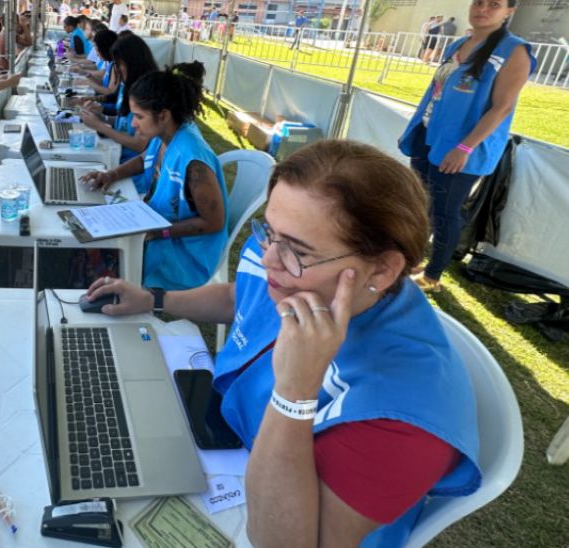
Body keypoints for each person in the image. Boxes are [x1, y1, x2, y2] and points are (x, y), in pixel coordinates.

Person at [85, 139, 481, 546]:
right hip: (229, 444)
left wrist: (295, 392)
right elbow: (244, 296)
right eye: (270, 233)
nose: (269, 257)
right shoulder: (290, 268)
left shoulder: (407, 414)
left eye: (296, 250)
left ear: (381, 269)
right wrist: (156, 299)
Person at [400, 0, 535, 292]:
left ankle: (432, 276)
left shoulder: (515, 51)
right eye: (479, 2)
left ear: (509, 11)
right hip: (429, 136)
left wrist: (464, 148)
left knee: (444, 211)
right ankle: (413, 260)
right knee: (420, 202)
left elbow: (500, 108)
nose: (482, 9)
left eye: (494, 4)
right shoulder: (459, 43)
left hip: (462, 149)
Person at [82, 62, 228, 290]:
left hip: (183, 256)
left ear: (164, 115)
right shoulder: (166, 134)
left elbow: (214, 222)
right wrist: (111, 174)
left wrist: (159, 232)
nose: (133, 124)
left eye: (139, 117)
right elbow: (144, 159)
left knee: (102, 258)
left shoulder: (193, 161)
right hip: (158, 230)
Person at [80, 33, 157, 170]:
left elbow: (139, 144)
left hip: (127, 165)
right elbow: (124, 121)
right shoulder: (127, 85)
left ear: (132, 62)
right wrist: (101, 115)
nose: (117, 69)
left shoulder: (149, 93)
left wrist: (101, 126)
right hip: (115, 153)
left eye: (119, 64)